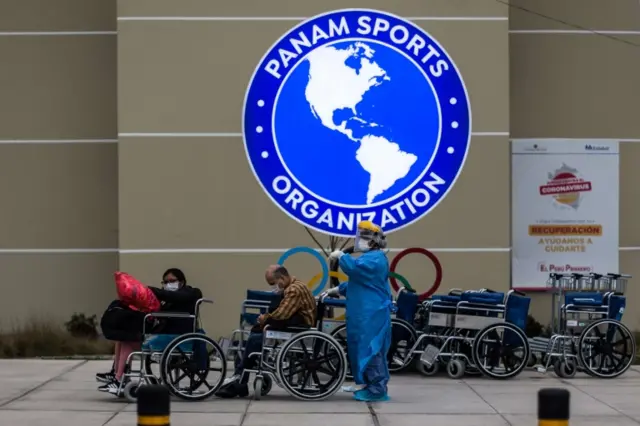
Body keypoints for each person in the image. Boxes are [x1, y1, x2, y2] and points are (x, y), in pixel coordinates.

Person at [97, 268, 203, 395]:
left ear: (182, 281)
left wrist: (150, 290)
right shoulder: (167, 301)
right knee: (122, 336)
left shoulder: (191, 293)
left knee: (129, 340)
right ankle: (116, 374)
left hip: (175, 337)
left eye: (172, 281)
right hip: (165, 335)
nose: (168, 284)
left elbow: (175, 296)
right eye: (165, 282)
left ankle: (119, 379)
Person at [216, 265, 316, 398]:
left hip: (298, 328)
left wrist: (265, 318)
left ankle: (240, 379)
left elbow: (282, 314)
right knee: (254, 334)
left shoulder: (294, 289)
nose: (273, 287)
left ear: (282, 278)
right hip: (293, 323)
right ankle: (240, 378)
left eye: (273, 284)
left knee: (256, 338)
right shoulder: (291, 286)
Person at [327, 220, 392, 402]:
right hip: (364, 313)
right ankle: (368, 384)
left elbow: (355, 270)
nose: (359, 240)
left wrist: (341, 257)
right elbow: (361, 283)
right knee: (363, 349)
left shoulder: (375, 259)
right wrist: (338, 289)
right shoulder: (369, 257)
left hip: (372, 313)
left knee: (371, 350)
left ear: (373, 241)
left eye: (363, 236)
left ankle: (377, 390)